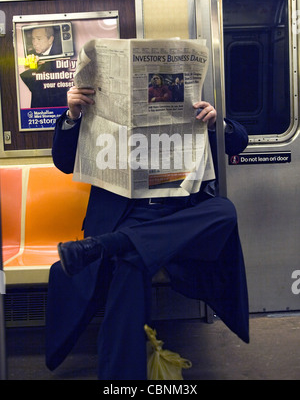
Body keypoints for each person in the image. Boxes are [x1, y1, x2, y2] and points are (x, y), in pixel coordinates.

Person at [45, 85, 249, 380]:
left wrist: (218, 122)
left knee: (224, 211)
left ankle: (108, 245)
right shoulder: (98, 115)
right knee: (131, 262)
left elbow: (239, 142)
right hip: (128, 216)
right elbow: (64, 162)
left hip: (180, 217)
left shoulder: (194, 111)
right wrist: (73, 115)